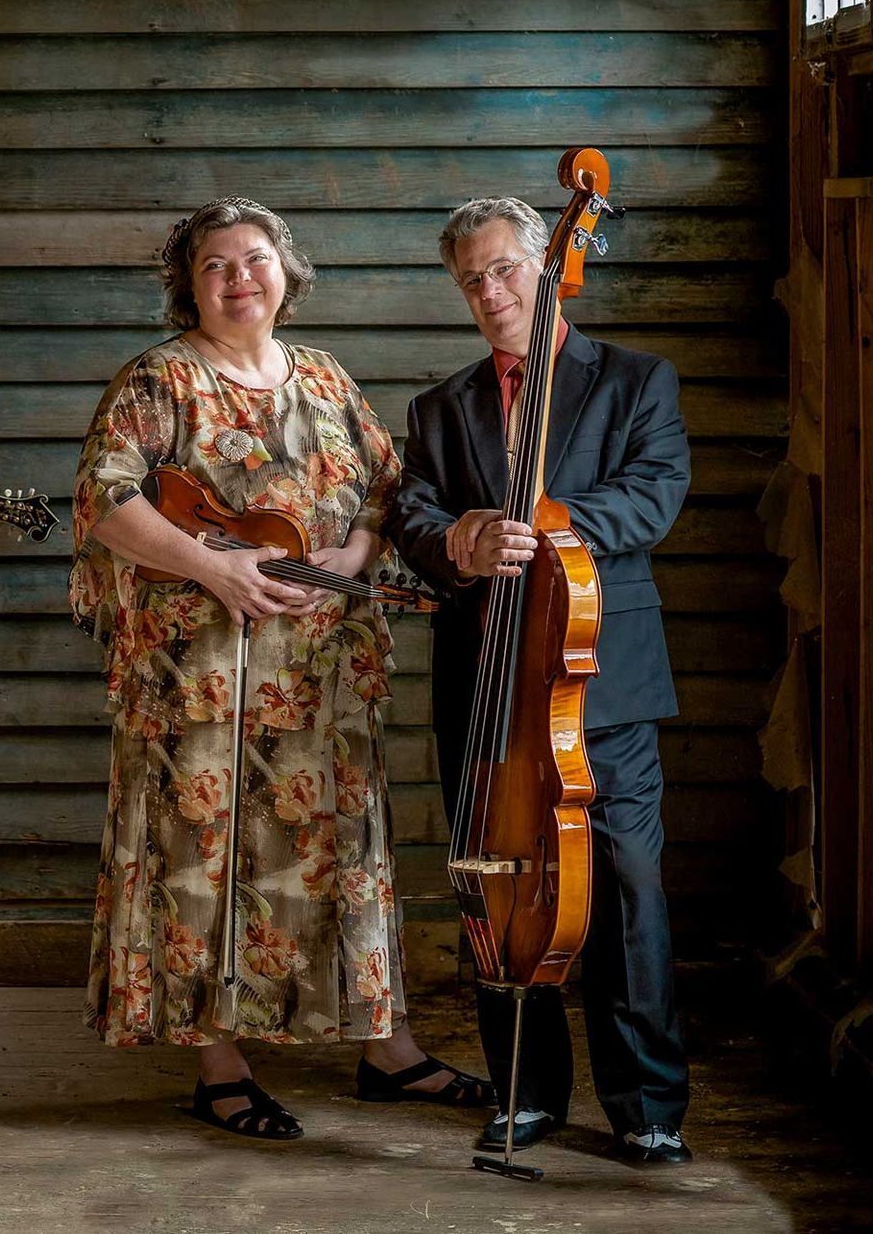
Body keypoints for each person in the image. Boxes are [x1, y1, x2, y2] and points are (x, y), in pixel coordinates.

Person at [70, 197, 490, 1140]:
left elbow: (390, 487)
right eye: (216, 265)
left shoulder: (325, 376)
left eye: (255, 259)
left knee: (344, 855)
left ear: (285, 274)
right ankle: (219, 1064)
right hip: (200, 681)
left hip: (321, 677)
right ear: (190, 282)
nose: (238, 278)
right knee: (201, 864)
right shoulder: (159, 380)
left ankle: (387, 1047)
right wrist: (215, 566)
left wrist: (354, 555)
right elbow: (104, 501)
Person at [385, 196, 693, 1165]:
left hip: (602, 682)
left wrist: (547, 522)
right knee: (497, 886)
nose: (489, 291)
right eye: (471, 278)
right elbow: (414, 515)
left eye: (505, 268)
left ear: (548, 265)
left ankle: (646, 1102)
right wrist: (460, 539)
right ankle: (525, 1091)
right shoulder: (441, 405)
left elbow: (654, 490)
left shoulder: (637, 379)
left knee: (626, 891)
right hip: (485, 686)